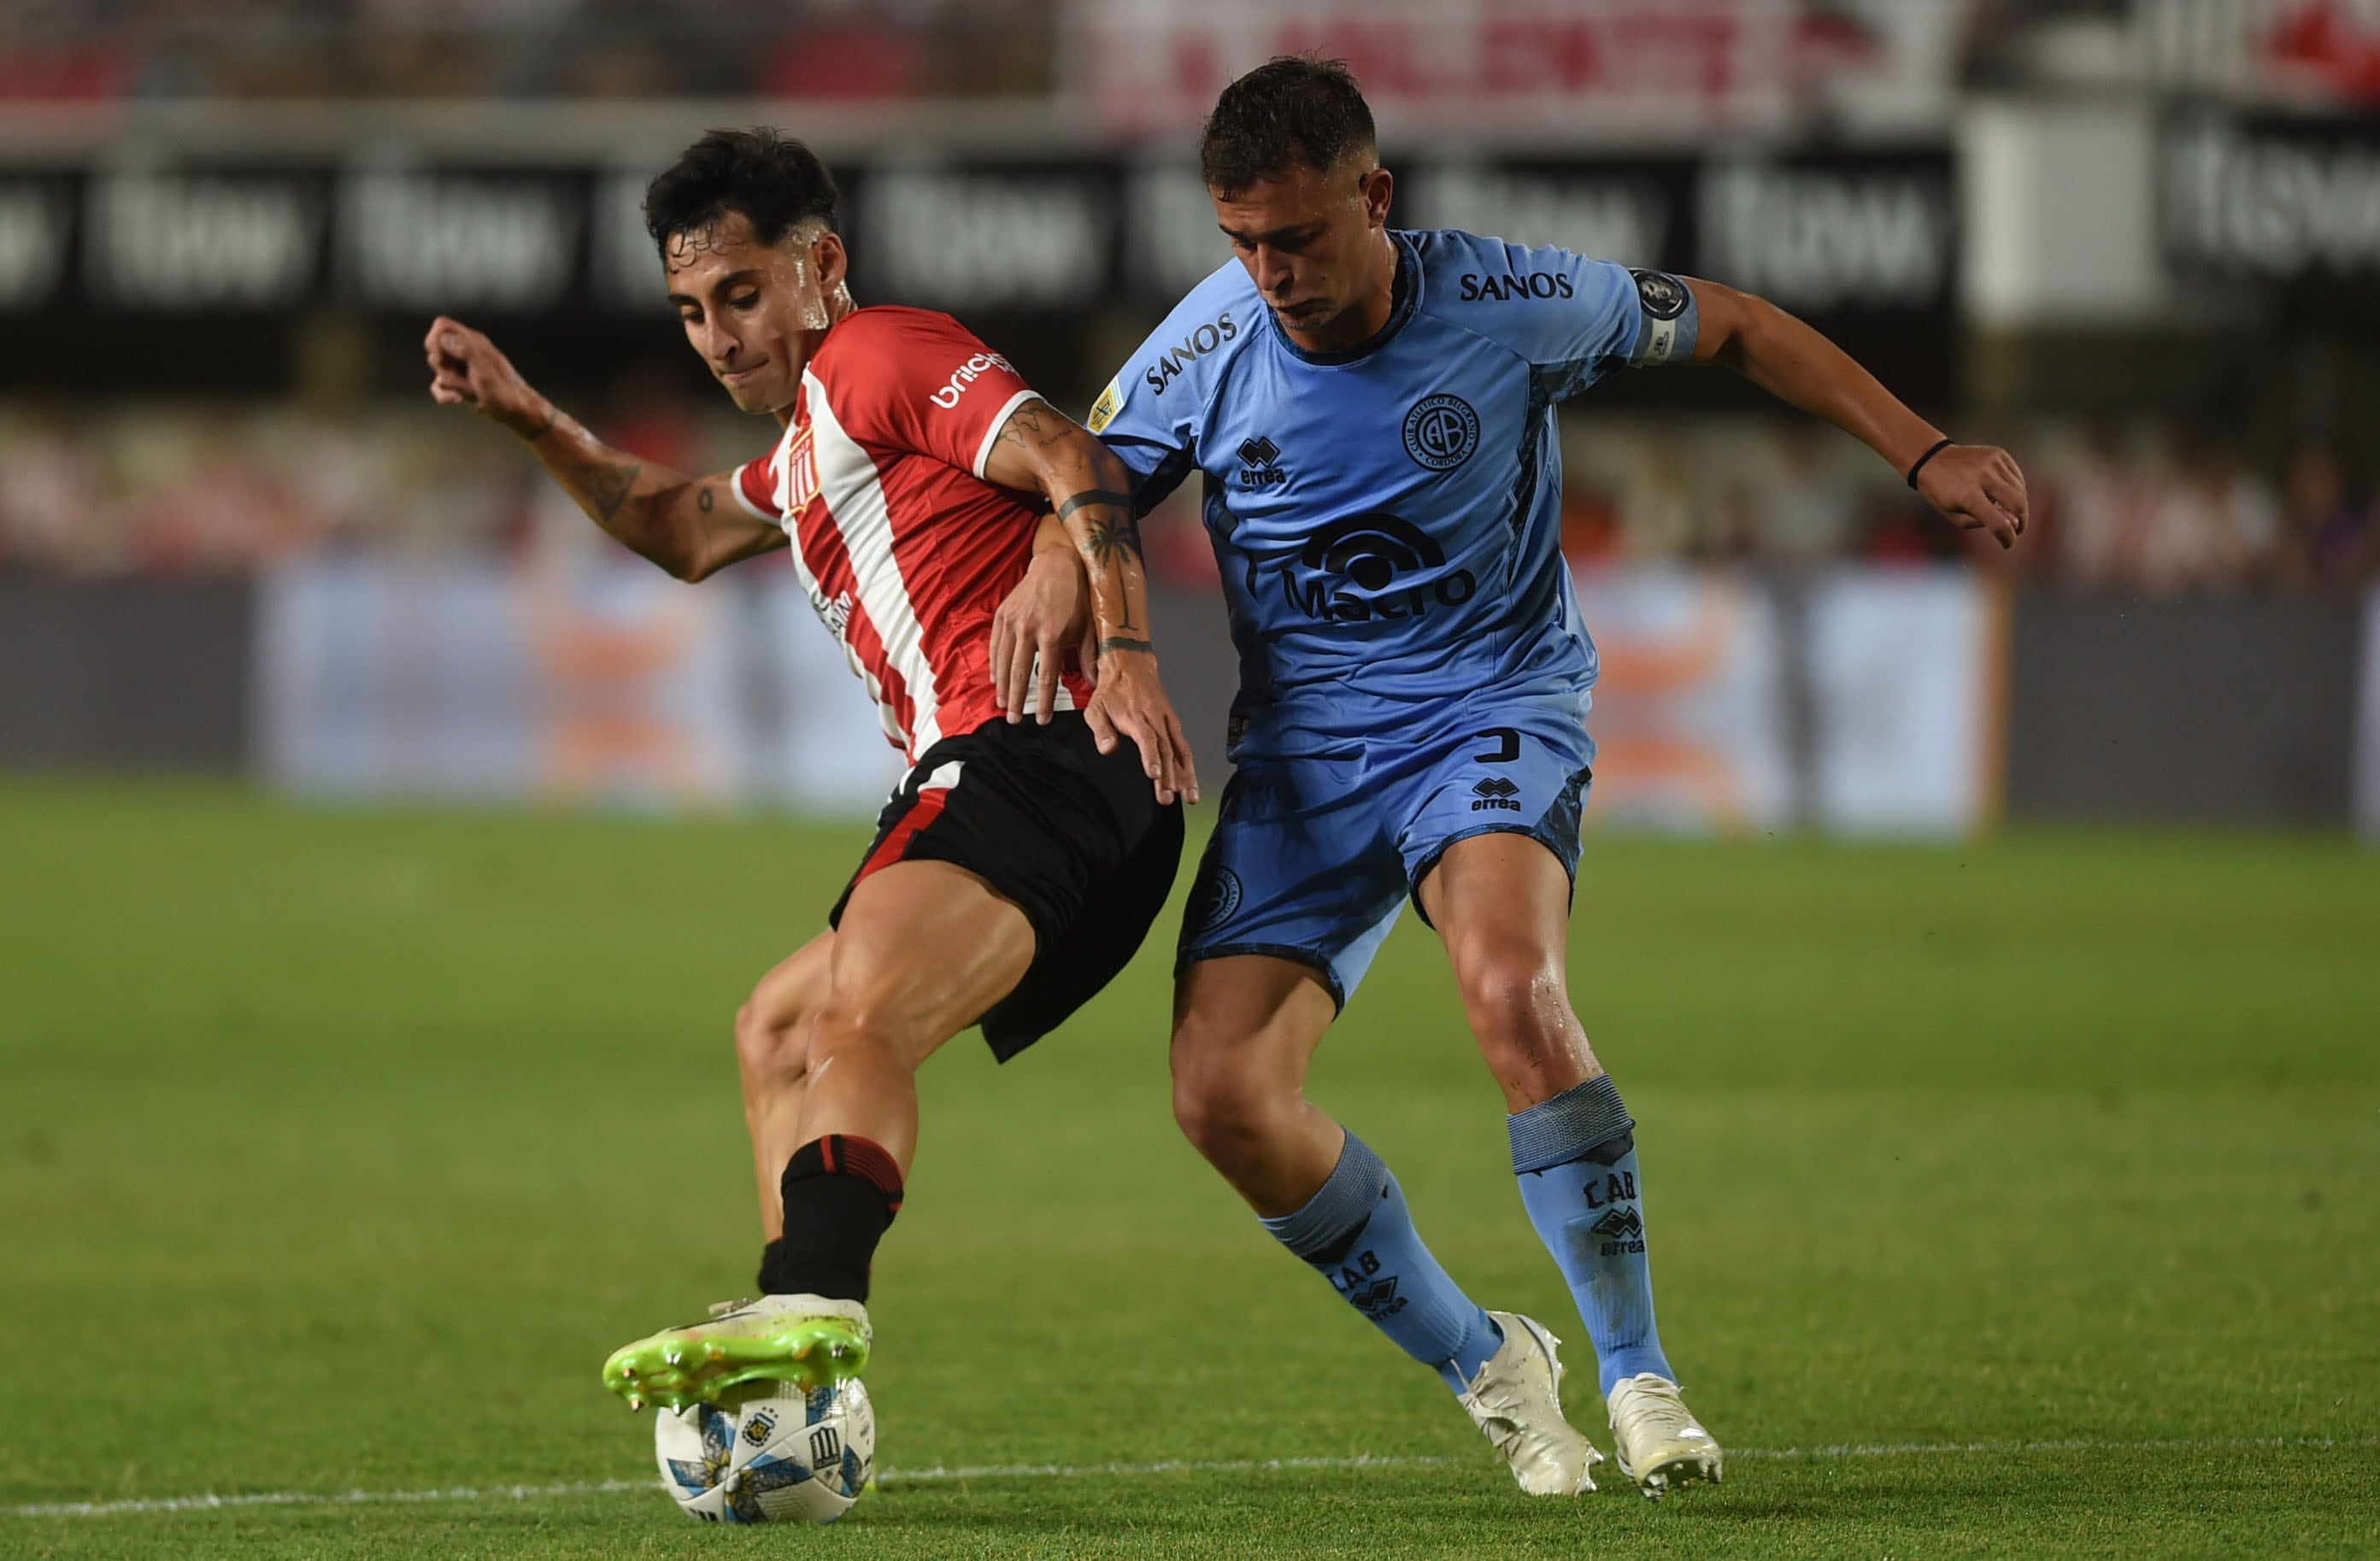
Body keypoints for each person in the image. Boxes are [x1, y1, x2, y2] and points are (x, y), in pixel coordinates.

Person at [1090, 58, 2026, 1500]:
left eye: (1297, 236)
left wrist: (1924, 450)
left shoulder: (1509, 303)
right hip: (1301, 761)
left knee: (1510, 994)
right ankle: (1487, 1362)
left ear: (1374, 197)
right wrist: (1107, 630)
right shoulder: (1203, 346)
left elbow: (1741, 326)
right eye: (1241, 241)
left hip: (1489, 707)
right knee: (1220, 1099)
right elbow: (1070, 489)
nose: (1269, 272)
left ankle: (1639, 1377)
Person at [424, 127, 1198, 1415]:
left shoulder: (876, 355)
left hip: (1033, 754)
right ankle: (802, 1380)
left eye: (739, 293)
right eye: (689, 312)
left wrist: (1124, 647)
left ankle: (815, 1301)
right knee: (780, 1030)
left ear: (820, 265)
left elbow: (1072, 454)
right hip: (1047, 785)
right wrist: (526, 415)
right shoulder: (803, 451)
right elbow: (675, 526)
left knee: (856, 1017)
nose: (718, 335)